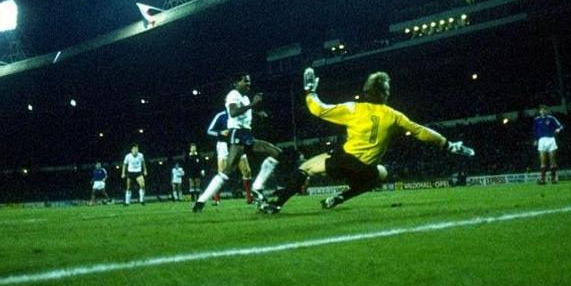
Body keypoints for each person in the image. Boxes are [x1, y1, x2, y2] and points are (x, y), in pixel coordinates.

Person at [261, 68, 474, 213]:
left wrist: (310, 92)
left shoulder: (354, 109)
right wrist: (448, 144)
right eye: (387, 89)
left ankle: (276, 205)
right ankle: (340, 197)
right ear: (381, 93)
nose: (389, 92)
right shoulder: (394, 115)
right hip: (364, 169)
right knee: (381, 173)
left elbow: (318, 109)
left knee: (305, 168)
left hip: (344, 161)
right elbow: (421, 132)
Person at [193, 73, 282, 212]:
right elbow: (233, 113)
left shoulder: (245, 97)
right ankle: (201, 201)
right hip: (237, 134)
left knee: (275, 152)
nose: (248, 84)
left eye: (249, 81)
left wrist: (258, 113)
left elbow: (245, 113)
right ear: (236, 82)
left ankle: (257, 188)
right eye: (245, 81)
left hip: (246, 134)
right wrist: (253, 104)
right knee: (227, 171)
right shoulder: (233, 95)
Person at [205, 108, 253, 205]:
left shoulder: (240, 114)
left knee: (247, 171)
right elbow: (209, 130)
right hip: (223, 145)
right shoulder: (221, 115)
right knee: (222, 172)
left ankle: (249, 198)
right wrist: (220, 133)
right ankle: (216, 199)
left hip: (237, 143)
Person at [533, 104, 563, 184]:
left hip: (551, 140)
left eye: (544, 109)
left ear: (547, 111)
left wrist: (558, 130)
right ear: (539, 111)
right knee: (542, 161)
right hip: (541, 141)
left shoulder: (551, 118)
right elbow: (535, 131)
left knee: (552, 160)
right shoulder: (536, 120)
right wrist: (536, 140)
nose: (543, 111)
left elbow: (561, 126)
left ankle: (554, 179)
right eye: (541, 110)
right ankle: (542, 180)